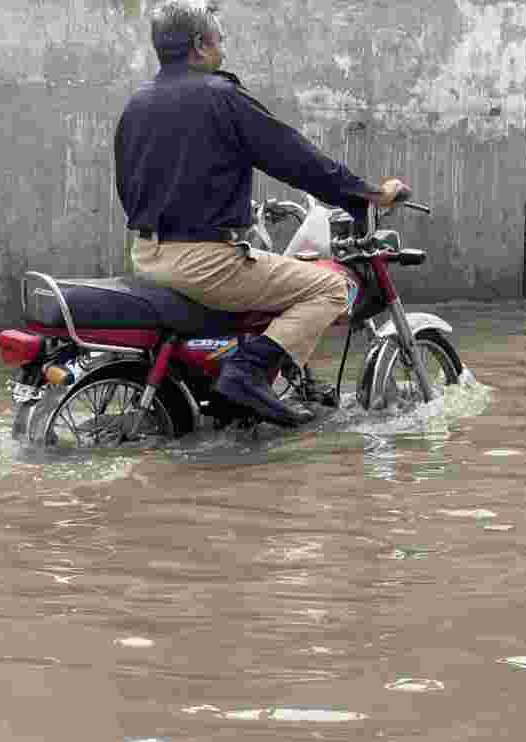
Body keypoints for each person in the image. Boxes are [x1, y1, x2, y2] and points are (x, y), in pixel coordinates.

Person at [114, 0, 410, 427]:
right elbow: (295, 158)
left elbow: (132, 187)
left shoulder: (136, 104)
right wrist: (366, 195)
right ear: (199, 46)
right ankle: (248, 372)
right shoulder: (221, 97)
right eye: (220, 40)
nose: (224, 49)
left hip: (147, 256)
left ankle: (227, 397)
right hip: (204, 264)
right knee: (330, 287)